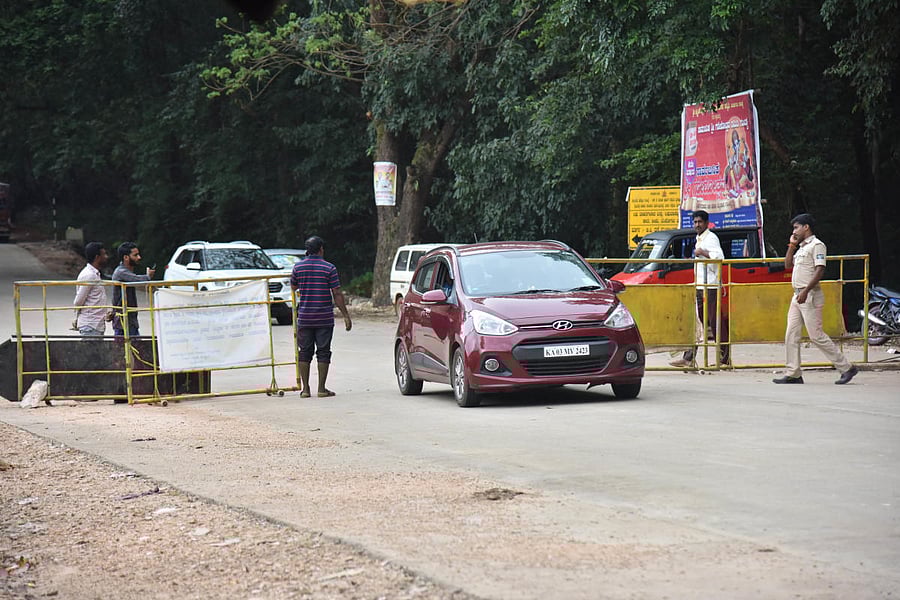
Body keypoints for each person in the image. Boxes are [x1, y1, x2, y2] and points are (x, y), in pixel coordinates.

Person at [774, 214, 859, 385]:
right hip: (797, 295)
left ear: (806, 227)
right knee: (791, 334)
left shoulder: (817, 245)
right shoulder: (801, 247)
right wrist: (791, 245)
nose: (794, 231)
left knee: (816, 335)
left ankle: (846, 368)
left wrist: (806, 291)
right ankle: (793, 373)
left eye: (796, 227)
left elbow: (820, 271)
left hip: (809, 295)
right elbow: (787, 265)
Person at [290, 236, 352, 398]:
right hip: (324, 318)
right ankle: (321, 389)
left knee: (304, 351)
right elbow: (337, 293)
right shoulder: (329, 268)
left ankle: (305, 389)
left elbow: (294, 286)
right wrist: (346, 315)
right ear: (321, 249)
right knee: (323, 352)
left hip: (304, 317)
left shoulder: (298, 268)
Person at [670, 210, 730, 367]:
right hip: (700, 285)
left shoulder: (710, 238)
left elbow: (720, 258)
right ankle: (689, 357)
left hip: (710, 285)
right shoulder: (699, 238)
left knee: (714, 321)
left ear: (706, 222)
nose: (697, 225)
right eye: (695, 222)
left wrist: (703, 252)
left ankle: (725, 358)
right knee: (697, 321)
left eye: (700, 222)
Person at [111, 242, 155, 337]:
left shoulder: (126, 272)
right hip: (122, 323)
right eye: (135, 255)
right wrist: (148, 276)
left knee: (135, 349)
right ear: (126, 257)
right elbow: (137, 280)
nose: (139, 257)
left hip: (130, 321)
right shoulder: (121, 272)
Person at [72, 241, 109, 337]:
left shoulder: (95, 274)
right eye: (104, 254)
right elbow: (78, 301)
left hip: (96, 325)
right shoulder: (89, 275)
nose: (106, 257)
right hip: (90, 325)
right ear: (97, 257)